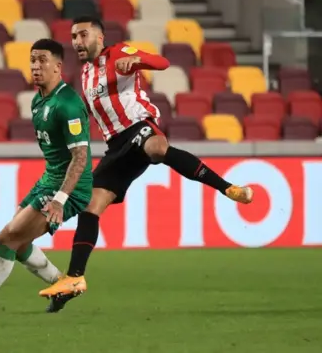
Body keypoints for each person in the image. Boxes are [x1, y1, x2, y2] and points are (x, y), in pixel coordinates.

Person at [39, 16, 254, 312]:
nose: (77, 41)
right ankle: (74, 279)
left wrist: (138, 60)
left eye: (83, 35)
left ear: (100, 37)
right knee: (91, 206)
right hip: (116, 147)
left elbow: (162, 63)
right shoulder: (86, 74)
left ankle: (228, 188)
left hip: (139, 127)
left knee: (155, 147)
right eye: (73, 36)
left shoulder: (118, 53)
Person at [0, 38, 95, 318]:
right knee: (19, 242)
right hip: (49, 180)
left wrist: (60, 200)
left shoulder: (68, 104)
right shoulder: (38, 101)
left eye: (43, 60)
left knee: (6, 239)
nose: (36, 66)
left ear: (58, 67)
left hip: (69, 189)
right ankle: (63, 284)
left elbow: (80, 158)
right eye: (33, 60)